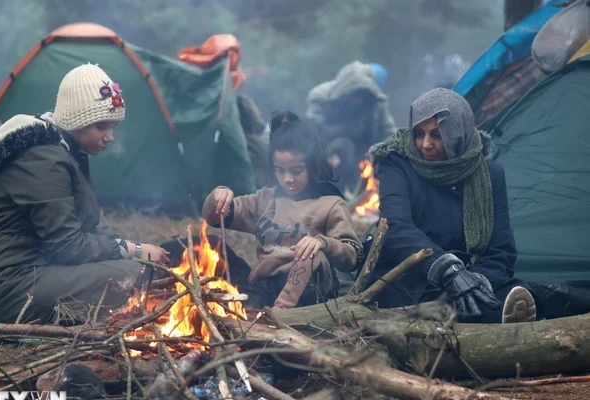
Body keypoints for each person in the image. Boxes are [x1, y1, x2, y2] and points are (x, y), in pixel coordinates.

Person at [0, 64, 170, 325]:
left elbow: (78, 231)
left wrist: (127, 247)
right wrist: (134, 250)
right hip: (3, 287)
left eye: (113, 127)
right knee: (136, 275)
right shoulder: (44, 159)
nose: (110, 137)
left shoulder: (65, 152)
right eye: (102, 126)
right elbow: (67, 246)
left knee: (141, 272)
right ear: (78, 120)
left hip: (35, 269)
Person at [368, 88, 537, 324]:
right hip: (407, 275)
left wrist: (476, 281)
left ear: (457, 133)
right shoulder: (396, 164)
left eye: (437, 135)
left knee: (512, 293)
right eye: (419, 133)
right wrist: (448, 271)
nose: (425, 144)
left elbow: (501, 249)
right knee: (433, 306)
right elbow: (396, 227)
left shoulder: (489, 175)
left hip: (468, 274)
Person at [202, 111, 364, 309]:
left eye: (296, 171)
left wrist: (322, 243)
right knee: (210, 244)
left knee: (310, 257)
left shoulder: (330, 204)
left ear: (311, 167)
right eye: (280, 170)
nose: (288, 179)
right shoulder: (265, 199)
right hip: (264, 288)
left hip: (310, 292)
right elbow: (215, 217)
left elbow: (352, 256)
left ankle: (280, 317)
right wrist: (220, 195)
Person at [306, 61, 397, 191]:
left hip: (364, 158)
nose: (356, 100)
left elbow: (388, 132)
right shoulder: (322, 98)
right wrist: (345, 130)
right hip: (328, 157)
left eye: (361, 96)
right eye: (353, 94)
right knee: (344, 145)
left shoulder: (376, 104)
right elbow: (312, 131)